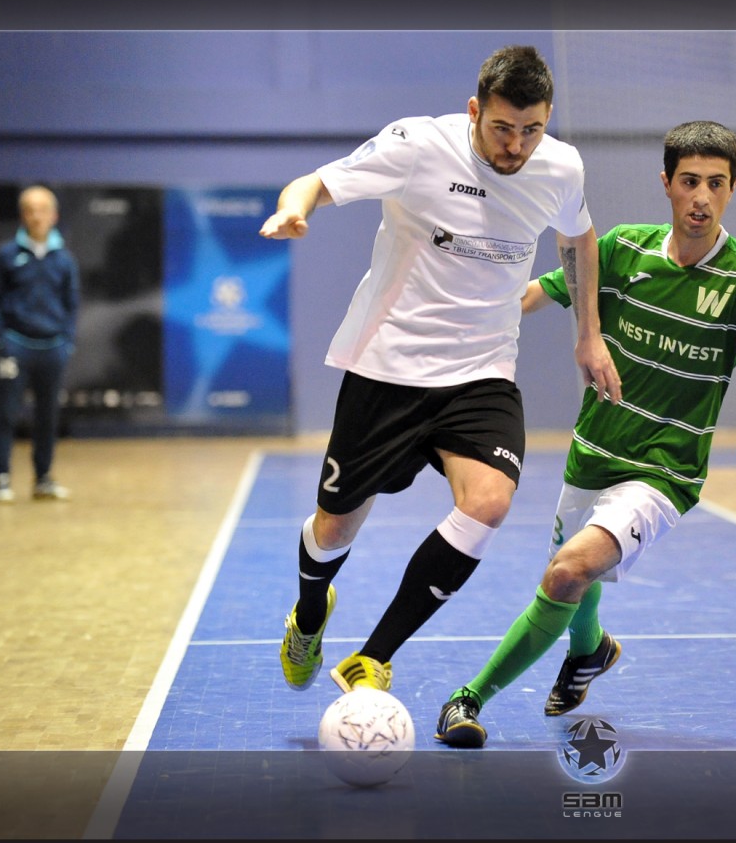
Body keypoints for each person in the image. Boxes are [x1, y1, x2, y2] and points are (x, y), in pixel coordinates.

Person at [259, 44, 621, 694]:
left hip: (481, 370)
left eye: (532, 129)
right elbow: (316, 181)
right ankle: (310, 614)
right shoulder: (418, 146)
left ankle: (373, 656)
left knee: (489, 503)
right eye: (502, 128)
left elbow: (578, 237)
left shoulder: (561, 166)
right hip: (387, 367)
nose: (516, 146)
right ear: (474, 110)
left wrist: (588, 335)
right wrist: (295, 210)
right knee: (335, 526)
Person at [433, 120, 736, 748]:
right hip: (593, 452)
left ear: (732, 189)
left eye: (716, 184)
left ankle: (468, 698)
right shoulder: (623, 249)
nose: (702, 198)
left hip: (664, 473)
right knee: (577, 581)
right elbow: (535, 293)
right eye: (690, 181)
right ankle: (591, 651)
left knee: (565, 573)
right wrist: (462, 319)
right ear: (666, 183)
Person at [0, 185, 79, 503]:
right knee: (5, 413)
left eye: (42, 210)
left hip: (53, 348)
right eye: (30, 210)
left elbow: (72, 303)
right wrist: (2, 338)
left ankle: (43, 479)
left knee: (47, 416)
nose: (36, 216)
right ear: (22, 216)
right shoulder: (5, 255)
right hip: (15, 346)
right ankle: (2, 479)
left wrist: (67, 340)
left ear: (54, 215)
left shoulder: (64, 259)